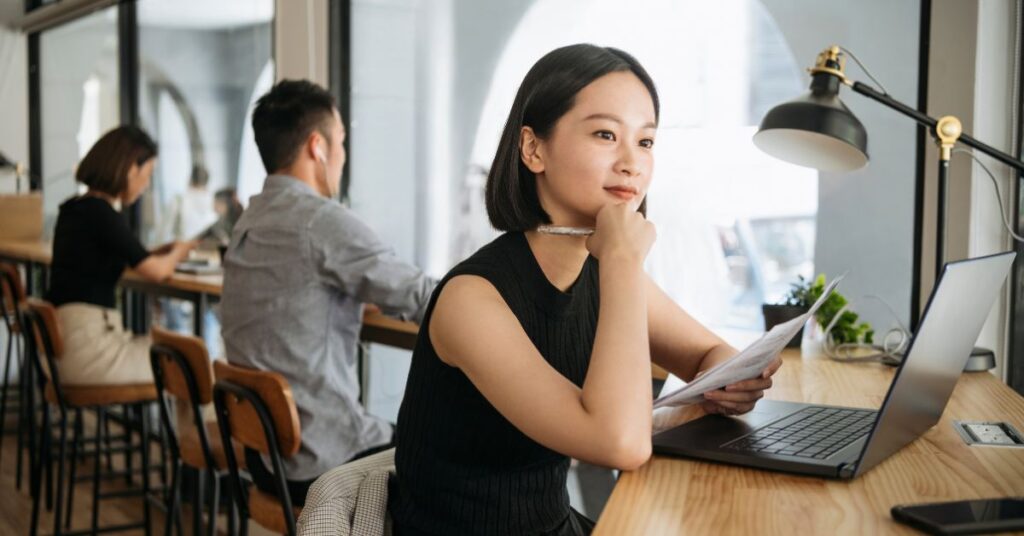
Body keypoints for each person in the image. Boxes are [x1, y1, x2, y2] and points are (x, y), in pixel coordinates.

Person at [389, 44, 783, 536]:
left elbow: (711, 352)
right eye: (605, 134)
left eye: (645, 142)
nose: (631, 164)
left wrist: (732, 385)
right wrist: (621, 258)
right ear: (534, 149)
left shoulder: (602, 272)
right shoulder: (471, 299)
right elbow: (620, 445)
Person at [220, 80, 435, 506]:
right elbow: (426, 298)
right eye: (340, 142)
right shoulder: (319, 220)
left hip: (266, 458)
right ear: (317, 147)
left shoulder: (248, 220)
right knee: (451, 460)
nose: (343, 155)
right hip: (323, 462)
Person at [46, 125, 196, 385]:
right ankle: (196, 429)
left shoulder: (75, 209)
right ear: (130, 169)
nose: (146, 186)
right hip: (90, 353)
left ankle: (183, 428)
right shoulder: (103, 214)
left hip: (64, 351)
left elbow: (114, 255)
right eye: (147, 175)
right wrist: (181, 250)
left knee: (180, 356)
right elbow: (158, 272)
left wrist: (154, 254)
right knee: (189, 363)